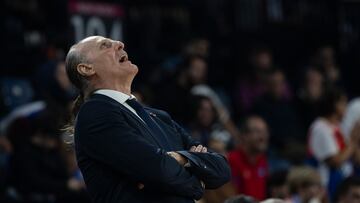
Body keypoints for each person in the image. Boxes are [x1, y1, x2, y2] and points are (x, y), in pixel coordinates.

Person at [64, 36, 231, 203]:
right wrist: (197, 182)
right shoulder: (94, 112)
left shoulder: (159, 116)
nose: (120, 44)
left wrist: (181, 159)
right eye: (105, 46)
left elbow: (221, 169)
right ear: (86, 68)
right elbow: (159, 169)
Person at [308, 88, 360, 197]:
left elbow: (353, 157)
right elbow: (335, 161)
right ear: (334, 104)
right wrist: (353, 140)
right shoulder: (320, 128)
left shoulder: (338, 128)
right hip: (327, 184)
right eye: (343, 103)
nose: (346, 107)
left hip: (344, 181)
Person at [227, 115, 269, 200]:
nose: (263, 137)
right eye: (257, 132)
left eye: (265, 131)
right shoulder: (232, 160)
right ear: (245, 135)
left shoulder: (262, 160)